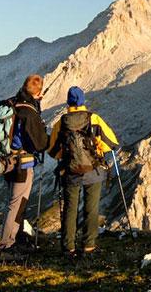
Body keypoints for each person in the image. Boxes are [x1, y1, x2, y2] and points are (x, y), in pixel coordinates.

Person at [48, 86, 119, 257]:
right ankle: (88, 246)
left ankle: (68, 247)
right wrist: (99, 147)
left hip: (70, 171)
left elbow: (52, 151)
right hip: (93, 171)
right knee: (91, 208)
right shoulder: (94, 119)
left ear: (68, 102)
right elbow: (112, 143)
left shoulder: (61, 123)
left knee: (70, 208)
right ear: (83, 101)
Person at [0, 74, 49, 261]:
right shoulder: (28, 112)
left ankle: (15, 239)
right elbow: (40, 142)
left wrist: (36, 104)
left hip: (7, 162)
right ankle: (6, 247)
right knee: (16, 204)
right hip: (22, 164)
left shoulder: (14, 103)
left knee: (16, 202)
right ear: (38, 92)